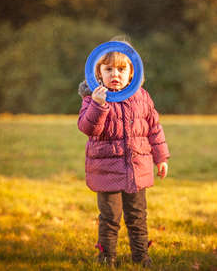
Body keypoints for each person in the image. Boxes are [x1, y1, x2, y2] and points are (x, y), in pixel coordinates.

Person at [77, 39, 170, 268]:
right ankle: (107, 258)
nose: (115, 74)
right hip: (107, 173)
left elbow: (154, 128)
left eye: (121, 68)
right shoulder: (93, 98)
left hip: (136, 171)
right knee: (109, 219)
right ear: (98, 73)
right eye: (108, 69)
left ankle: (141, 257)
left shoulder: (142, 97)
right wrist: (98, 105)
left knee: (137, 217)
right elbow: (89, 129)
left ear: (132, 73)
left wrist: (161, 158)